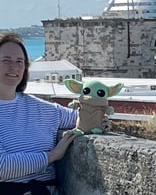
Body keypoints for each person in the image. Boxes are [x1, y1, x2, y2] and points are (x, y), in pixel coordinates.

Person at [0, 33, 109, 194]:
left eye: (20, 61)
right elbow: (2, 167)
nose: (14, 67)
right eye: (6, 60)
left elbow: (80, 118)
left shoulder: (42, 108)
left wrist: (101, 121)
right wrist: (52, 156)